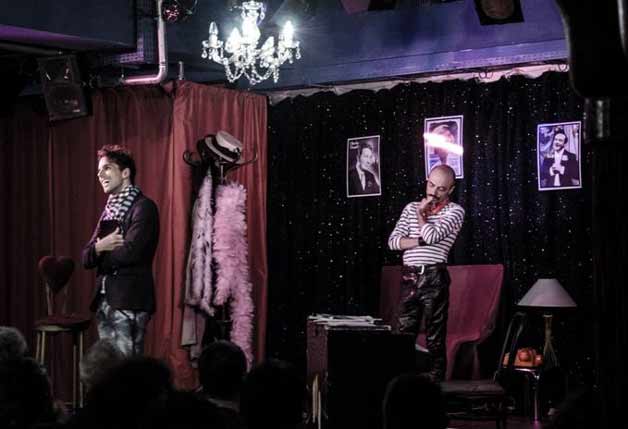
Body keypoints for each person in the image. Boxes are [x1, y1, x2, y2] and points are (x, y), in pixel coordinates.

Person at [388, 165, 464, 381]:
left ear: (450, 189)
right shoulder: (410, 207)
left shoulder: (455, 211)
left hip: (434, 277)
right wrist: (420, 241)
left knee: (435, 336)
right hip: (409, 277)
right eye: (431, 185)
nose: (433, 192)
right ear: (427, 181)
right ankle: (402, 383)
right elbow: (393, 242)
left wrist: (421, 216)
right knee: (403, 334)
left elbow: (432, 236)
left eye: (441, 188)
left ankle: (437, 384)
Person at [81, 145, 159, 356]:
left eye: (107, 168)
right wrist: (100, 246)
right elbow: (86, 257)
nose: (100, 175)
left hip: (129, 300)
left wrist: (100, 254)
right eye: (99, 171)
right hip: (104, 300)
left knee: (127, 366)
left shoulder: (143, 207)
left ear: (125, 173)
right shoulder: (109, 211)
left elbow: (131, 252)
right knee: (108, 366)